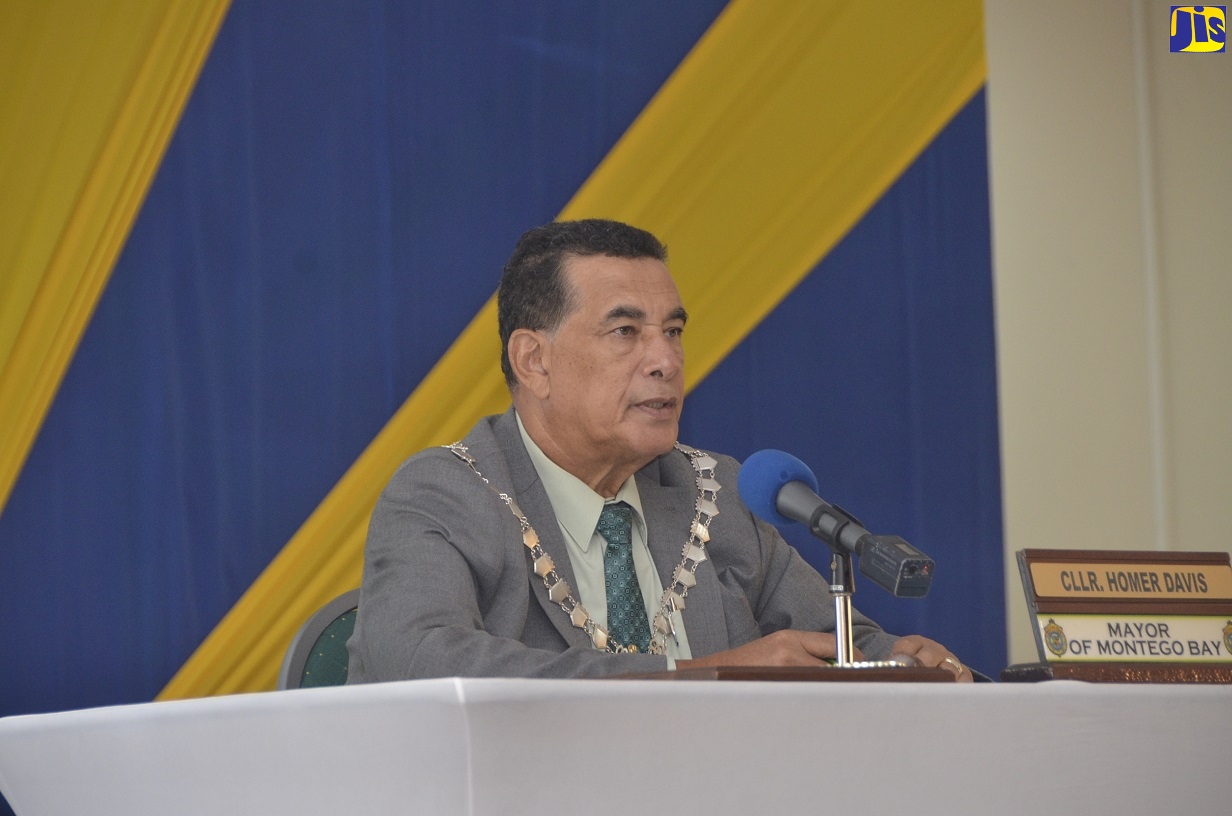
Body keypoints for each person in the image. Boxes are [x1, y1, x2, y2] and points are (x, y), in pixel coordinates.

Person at [346, 219, 971, 682]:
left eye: (673, 332)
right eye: (626, 332)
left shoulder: (719, 494)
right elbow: (418, 661)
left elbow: (837, 642)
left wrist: (897, 662)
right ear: (533, 361)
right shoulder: (445, 494)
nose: (666, 361)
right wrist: (703, 678)